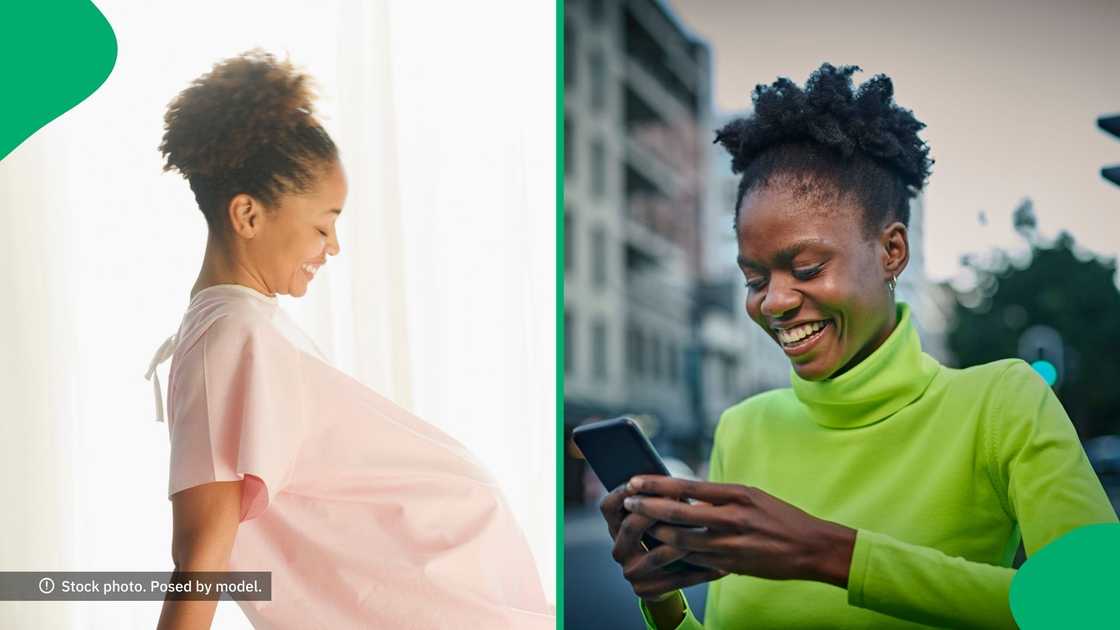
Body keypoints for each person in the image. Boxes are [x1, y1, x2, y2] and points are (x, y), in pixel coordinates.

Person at [600, 63, 1118, 629]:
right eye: (754, 280)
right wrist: (662, 602)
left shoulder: (1000, 404)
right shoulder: (742, 427)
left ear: (892, 251)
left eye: (807, 267)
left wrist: (831, 555)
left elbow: (1093, 605)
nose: (773, 302)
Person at [145, 49, 552, 629]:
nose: (332, 247)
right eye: (322, 224)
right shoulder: (233, 336)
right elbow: (200, 556)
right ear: (248, 215)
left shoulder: (244, 327)